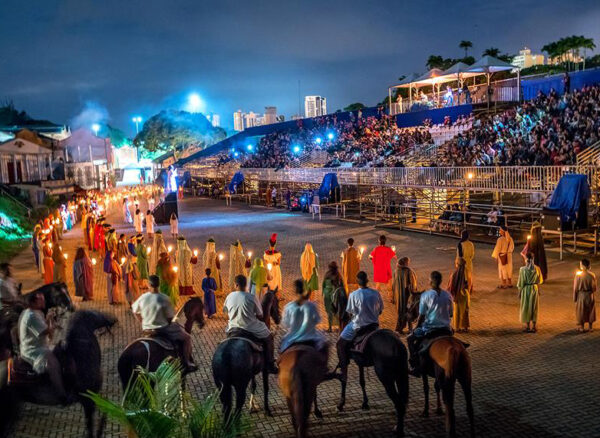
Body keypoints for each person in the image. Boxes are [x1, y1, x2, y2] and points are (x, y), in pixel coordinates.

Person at [132, 275, 197, 372]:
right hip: (162, 329)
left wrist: (142, 321)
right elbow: (170, 318)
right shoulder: (164, 298)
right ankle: (187, 362)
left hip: (146, 329)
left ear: (149, 284)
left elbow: (135, 311)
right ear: (159, 284)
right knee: (187, 337)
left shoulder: (143, 297)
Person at [18, 291, 71, 404]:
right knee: (53, 364)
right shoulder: (31, 316)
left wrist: (49, 319)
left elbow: (46, 328)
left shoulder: (37, 312)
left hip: (41, 344)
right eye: (41, 299)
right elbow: (47, 331)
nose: (44, 301)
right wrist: (51, 319)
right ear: (33, 302)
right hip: (33, 349)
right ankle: (61, 395)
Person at [223, 275, 278, 374]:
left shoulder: (229, 296)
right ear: (246, 285)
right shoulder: (251, 297)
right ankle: (270, 364)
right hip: (250, 327)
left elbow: (226, 312)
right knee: (269, 337)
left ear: (236, 285)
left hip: (233, 327)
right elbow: (261, 315)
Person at [335, 271, 383, 378]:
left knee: (340, 343)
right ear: (367, 280)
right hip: (374, 325)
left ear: (357, 281)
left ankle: (343, 369)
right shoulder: (376, 293)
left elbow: (350, 312)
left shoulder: (354, 294)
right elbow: (380, 311)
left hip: (358, 326)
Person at [407, 271, 454, 376]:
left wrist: (415, 328)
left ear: (431, 281)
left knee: (410, 339)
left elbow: (422, 315)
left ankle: (414, 365)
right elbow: (450, 314)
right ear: (441, 281)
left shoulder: (425, 295)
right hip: (446, 329)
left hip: (430, 329)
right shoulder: (448, 295)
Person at [280, 279, 327, 353]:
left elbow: (286, 324)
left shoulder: (288, 307)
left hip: (292, 339)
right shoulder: (311, 305)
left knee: (281, 347)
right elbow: (317, 320)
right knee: (325, 345)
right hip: (310, 337)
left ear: (294, 292)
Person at [517, 252, 543, 333]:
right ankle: (534, 327)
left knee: (526, 307)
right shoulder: (537, 268)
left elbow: (521, 283)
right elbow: (539, 281)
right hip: (534, 289)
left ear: (526, 259)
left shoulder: (522, 270)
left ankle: (527, 326)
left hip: (526, 289)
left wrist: (519, 293)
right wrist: (538, 290)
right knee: (534, 307)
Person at [392, 257, 417, 334]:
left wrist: (393, 296)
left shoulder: (396, 271)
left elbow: (393, 285)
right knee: (408, 312)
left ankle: (402, 328)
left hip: (398, 296)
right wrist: (414, 294)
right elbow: (412, 285)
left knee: (401, 312)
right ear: (406, 263)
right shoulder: (409, 271)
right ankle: (407, 328)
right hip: (407, 296)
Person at [369, 235, 396, 300]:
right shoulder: (388, 249)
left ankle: (377, 298)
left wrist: (373, 259)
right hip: (386, 268)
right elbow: (394, 256)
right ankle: (390, 298)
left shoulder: (376, 249)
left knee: (378, 285)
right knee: (389, 284)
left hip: (378, 269)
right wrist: (393, 251)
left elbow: (370, 256)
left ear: (379, 241)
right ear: (385, 241)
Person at [448, 258, 471, 332]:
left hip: (458, 295)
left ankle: (457, 327)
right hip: (465, 294)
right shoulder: (467, 273)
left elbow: (451, 286)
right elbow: (470, 283)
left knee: (457, 311)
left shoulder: (455, 274)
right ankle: (465, 327)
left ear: (457, 264)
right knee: (465, 311)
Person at [322, 261, 345, 332]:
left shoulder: (327, 274)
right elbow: (341, 285)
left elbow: (323, 284)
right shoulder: (338, 275)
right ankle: (339, 327)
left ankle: (330, 327)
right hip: (335, 295)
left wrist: (323, 292)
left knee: (329, 311)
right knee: (337, 311)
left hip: (328, 295)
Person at [573, 259, 596, 332]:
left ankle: (582, 327)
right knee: (590, 310)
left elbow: (575, 288)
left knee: (581, 311)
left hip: (581, 295)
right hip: (590, 295)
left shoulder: (578, 275)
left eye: (580, 265)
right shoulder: (592, 275)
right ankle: (590, 327)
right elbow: (594, 287)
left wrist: (575, 298)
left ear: (583, 266)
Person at [123, 236, 140, 306]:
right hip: (131, 278)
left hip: (129, 278)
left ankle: (131, 303)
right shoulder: (132, 264)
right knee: (134, 289)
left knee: (130, 290)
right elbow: (135, 254)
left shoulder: (126, 264)